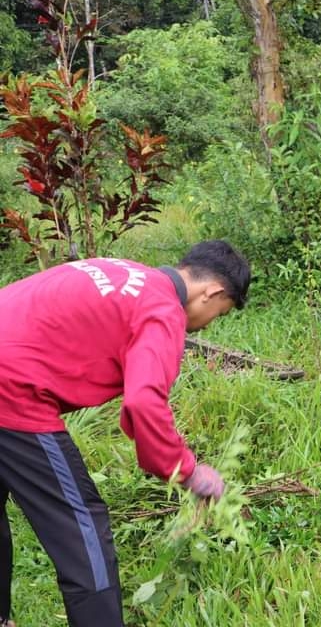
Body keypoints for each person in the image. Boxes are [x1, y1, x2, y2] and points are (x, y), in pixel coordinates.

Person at [0, 240, 251, 627]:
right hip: (12, 391)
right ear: (212, 293)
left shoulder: (126, 271)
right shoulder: (163, 312)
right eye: (219, 314)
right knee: (81, 524)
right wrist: (187, 471)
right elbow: (144, 403)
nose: (210, 322)